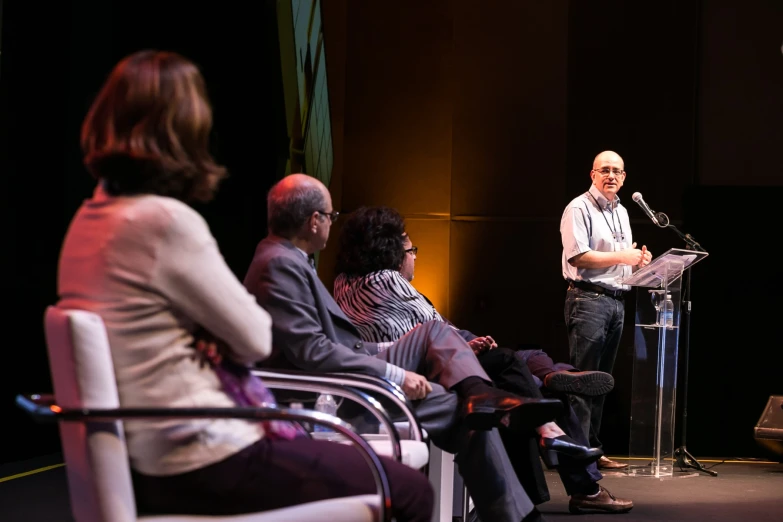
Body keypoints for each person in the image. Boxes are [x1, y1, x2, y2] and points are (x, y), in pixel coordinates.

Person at [55, 50, 435, 521]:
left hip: (145, 465)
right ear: (185, 131)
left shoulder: (83, 227)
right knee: (411, 489)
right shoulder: (167, 223)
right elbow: (254, 338)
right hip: (207, 460)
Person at [243, 173, 565, 522]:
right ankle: (514, 507)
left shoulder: (288, 258)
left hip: (347, 373)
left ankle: (484, 410)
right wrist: (395, 371)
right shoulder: (279, 264)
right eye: (331, 216)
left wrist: (386, 349)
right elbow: (314, 353)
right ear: (313, 220)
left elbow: (331, 345)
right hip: (331, 394)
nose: (331, 225)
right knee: (452, 366)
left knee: (465, 401)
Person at [333, 205, 633, 514]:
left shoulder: (345, 282)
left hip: (423, 363)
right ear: (390, 252)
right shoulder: (387, 281)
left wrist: (462, 344)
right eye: (411, 250)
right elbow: (431, 332)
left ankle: (549, 384)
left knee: (525, 367)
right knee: (513, 367)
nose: (414, 256)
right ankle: (567, 454)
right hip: (422, 373)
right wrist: (464, 347)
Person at [560, 150, 653, 471]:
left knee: (601, 382)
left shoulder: (622, 211)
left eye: (617, 171)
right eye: (605, 170)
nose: (611, 176)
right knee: (584, 382)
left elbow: (622, 257)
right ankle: (576, 454)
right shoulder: (579, 207)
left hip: (616, 301)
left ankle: (593, 450)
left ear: (625, 177)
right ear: (593, 174)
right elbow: (578, 256)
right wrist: (623, 258)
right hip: (588, 301)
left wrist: (639, 262)